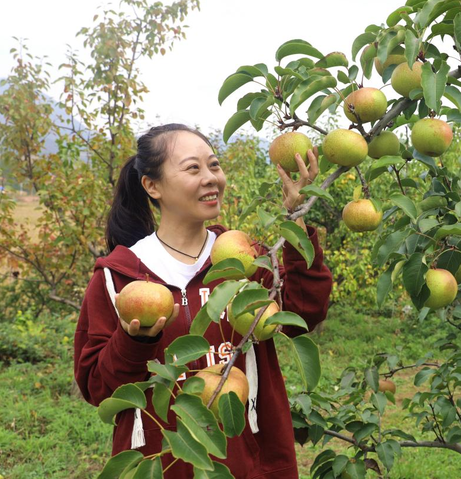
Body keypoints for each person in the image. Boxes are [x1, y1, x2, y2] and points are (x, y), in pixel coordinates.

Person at [74, 124, 332, 478]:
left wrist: (297, 219)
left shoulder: (243, 258)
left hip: (252, 460)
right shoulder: (119, 278)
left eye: (214, 165)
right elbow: (97, 388)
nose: (211, 178)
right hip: (163, 460)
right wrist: (135, 342)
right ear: (152, 186)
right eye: (193, 168)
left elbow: (306, 311)